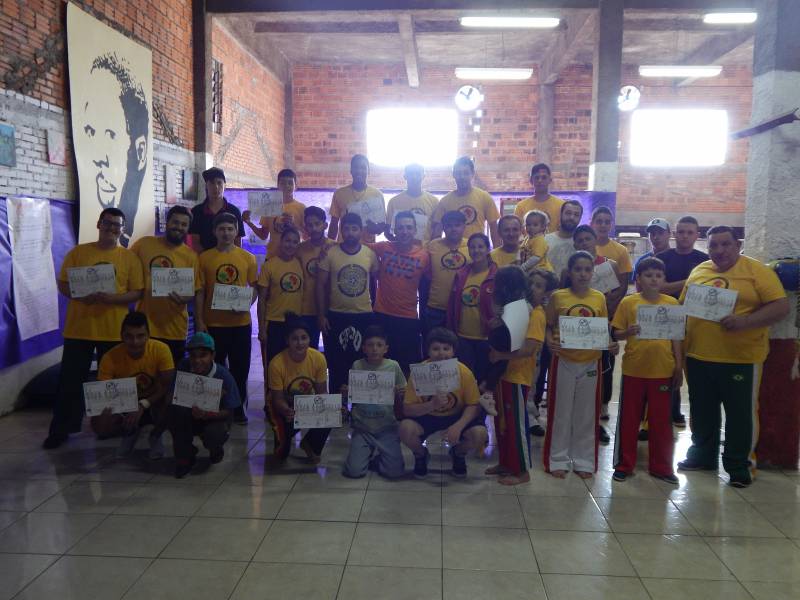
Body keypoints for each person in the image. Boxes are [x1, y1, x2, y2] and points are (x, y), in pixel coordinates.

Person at [677, 226, 788, 488]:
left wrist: (745, 321)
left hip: (741, 359)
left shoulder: (757, 271)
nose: (719, 251)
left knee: (740, 415)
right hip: (698, 355)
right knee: (702, 411)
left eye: (725, 244)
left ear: (737, 245)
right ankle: (703, 456)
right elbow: (683, 306)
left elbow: (781, 306)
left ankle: (740, 466)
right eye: (713, 245)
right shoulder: (699, 271)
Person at [43, 207, 144, 449]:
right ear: (99, 224)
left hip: (114, 330)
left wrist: (112, 299)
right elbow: (64, 285)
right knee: (70, 382)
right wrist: (79, 296)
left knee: (116, 382)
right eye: (107, 223)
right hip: (80, 330)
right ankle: (62, 429)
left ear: (122, 229)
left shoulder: (129, 258)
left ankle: (116, 426)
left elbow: (137, 292)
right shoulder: (78, 253)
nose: (112, 228)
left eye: (117, 225)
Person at [544, 251, 616, 478]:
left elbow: (602, 328)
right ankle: (557, 459)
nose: (583, 274)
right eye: (578, 269)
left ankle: (584, 461)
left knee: (587, 414)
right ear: (570, 272)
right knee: (561, 411)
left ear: (592, 272)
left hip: (591, 361)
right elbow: (546, 324)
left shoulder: (599, 298)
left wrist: (611, 344)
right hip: (563, 360)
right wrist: (549, 343)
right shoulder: (558, 297)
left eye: (587, 270)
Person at [611, 257, 682, 484]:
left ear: (664, 279)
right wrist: (628, 332)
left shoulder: (672, 304)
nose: (654, 279)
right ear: (638, 279)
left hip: (662, 369)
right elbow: (616, 333)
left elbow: (677, 338)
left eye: (658, 275)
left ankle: (662, 466)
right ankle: (625, 464)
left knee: (661, 421)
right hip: (634, 370)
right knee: (629, 419)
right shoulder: (629, 303)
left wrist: (679, 366)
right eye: (648, 275)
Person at [485, 266, 551, 485]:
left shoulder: (537, 314)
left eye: (538, 285)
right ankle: (506, 462)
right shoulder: (517, 309)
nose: (533, 288)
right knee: (501, 421)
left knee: (516, 424)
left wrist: (500, 355)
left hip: (518, 376)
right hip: (505, 375)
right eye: (530, 283)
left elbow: (530, 348)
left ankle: (522, 471)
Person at [400, 327, 488, 478]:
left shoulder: (464, 372)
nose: (441, 353)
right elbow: (407, 409)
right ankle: (421, 455)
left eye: (446, 349)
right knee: (404, 429)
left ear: (453, 351)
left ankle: (458, 453)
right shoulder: (419, 372)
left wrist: (458, 426)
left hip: (456, 415)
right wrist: (431, 405)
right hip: (427, 415)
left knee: (480, 434)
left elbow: (474, 405)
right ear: (428, 351)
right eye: (435, 349)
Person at [81, 52, 149, 247]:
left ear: (140, 152)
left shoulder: (132, 256)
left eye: (111, 135)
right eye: (90, 131)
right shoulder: (78, 255)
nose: (97, 157)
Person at [196, 213, 258, 424]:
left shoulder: (247, 258)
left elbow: (254, 288)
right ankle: (215, 407)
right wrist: (201, 321)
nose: (226, 233)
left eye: (230, 229)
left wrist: (244, 304)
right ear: (214, 231)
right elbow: (200, 292)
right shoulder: (204, 258)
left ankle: (238, 408)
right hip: (214, 324)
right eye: (222, 229)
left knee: (241, 369)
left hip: (240, 324)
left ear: (236, 231)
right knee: (215, 369)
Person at [94, 312, 175, 458]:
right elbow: (103, 394)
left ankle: (155, 435)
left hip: (153, 401)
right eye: (129, 336)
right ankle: (129, 432)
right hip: (126, 404)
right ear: (121, 336)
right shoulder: (109, 357)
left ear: (148, 335)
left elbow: (168, 385)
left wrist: (143, 404)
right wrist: (110, 412)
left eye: (140, 336)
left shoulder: (161, 349)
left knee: (172, 400)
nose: (135, 342)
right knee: (99, 422)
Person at [316, 212, 379, 395]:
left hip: (364, 316)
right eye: (346, 229)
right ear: (341, 230)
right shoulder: (330, 253)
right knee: (336, 363)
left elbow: (376, 284)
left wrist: (375, 310)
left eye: (354, 229)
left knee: (363, 363)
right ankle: (338, 408)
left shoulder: (370, 254)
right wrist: (321, 315)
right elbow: (320, 285)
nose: (350, 233)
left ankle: (360, 407)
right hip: (336, 315)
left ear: (361, 231)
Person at [654, 215, 709, 427]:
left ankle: (699, 417)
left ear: (697, 235)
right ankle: (672, 410)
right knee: (670, 366)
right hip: (667, 319)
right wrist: (689, 283)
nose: (685, 236)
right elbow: (660, 287)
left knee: (694, 368)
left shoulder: (705, 260)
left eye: (690, 232)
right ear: (675, 234)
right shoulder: (664, 257)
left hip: (697, 321)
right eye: (681, 232)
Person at [132, 205, 202, 366]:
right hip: (144, 327)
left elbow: (194, 290)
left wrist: (185, 297)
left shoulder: (191, 256)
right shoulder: (144, 245)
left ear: (188, 228)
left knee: (171, 376)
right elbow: (127, 269)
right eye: (175, 222)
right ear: (167, 222)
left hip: (174, 328)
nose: (179, 227)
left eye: (184, 225)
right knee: (144, 374)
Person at [169, 332, 241, 478]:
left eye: (203, 355)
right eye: (193, 355)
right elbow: (172, 394)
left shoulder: (223, 375)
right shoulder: (183, 367)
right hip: (189, 415)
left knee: (214, 434)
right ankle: (185, 457)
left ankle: (216, 449)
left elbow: (229, 410)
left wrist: (208, 414)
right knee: (175, 415)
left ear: (213, 355)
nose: (197, 360)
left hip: (216, 417)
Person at [342, 325, 406, 479]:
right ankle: (363, 453)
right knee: (354, 472)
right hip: (362, 426)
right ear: (363, 348)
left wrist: (399, 393)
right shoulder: (357, 365)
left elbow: (405, 393)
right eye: (370, 345)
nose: (374, 349)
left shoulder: (393, 366)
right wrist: (347, 392)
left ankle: (378, 459)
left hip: (387, 426)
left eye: (379, 345)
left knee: (394, 472)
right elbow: (353, 396)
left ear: (386, 348)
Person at [369, 211, 430, 373]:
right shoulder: (383, 247)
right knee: (381, 366)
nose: (404, 232)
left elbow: (429, 284)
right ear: (395, 230)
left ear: (415, 230)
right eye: (401, 228)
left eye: (409, 228)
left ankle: (405, 399)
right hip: (382, 315)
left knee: (408, 366)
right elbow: (355, 246)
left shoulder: (424, 255)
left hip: (408, 318)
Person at [266, 314, 330, 464]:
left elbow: (322, 392)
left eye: (304, 337)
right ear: (287, 340)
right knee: (281, 455)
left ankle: (310, 444)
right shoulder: (276, 363)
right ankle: (285, 435)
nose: (300, 343)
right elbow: (278, 399)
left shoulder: (318, 358)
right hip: (283, 407)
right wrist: (285, 410)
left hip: (307, 403)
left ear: (310, 339)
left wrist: (329, 406)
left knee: (333, 413)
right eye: (295, 338)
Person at [590, 206, 631, 427]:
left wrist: (606, 305)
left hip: (608, 314)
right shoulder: (585, 245)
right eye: (600, 221)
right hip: (585, 313)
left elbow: (623, 285)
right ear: (592, 222)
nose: (603, 225)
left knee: (607, 361)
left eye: (607, 221)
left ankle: (604, 402)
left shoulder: (619, 251)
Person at [447, 233, 497, 387]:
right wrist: (451, 331)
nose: (476, 250)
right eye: (473, 247)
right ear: (468, 250)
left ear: (488, 249)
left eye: (481, 246)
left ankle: (480, 411)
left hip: (485, 338)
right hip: (462, 336)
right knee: (464, 380)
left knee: (482, 381)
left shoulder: (497, 275)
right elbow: (452, 304)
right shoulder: (461, 274)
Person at [257, 226, 304, 382]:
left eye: (295, 242)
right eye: (287, 241)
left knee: (293, 367)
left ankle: (289, 402)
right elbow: (261, 299)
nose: (291, 245)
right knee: (272, 366)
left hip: (295, 323)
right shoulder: (269, 265)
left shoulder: (300, 264)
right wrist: (262, 328)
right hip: (274, 323)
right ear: (280, 242)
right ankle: (271, 403)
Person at [430, 156, 500, 246]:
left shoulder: (485, 197)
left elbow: (494, 229)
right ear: (453, 175)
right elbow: (437, 232)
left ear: (472, 174)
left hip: (477, 252)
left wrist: (496, 254)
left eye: (466, 173)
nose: (462, 177)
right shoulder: (445, 201)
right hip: (453, 252)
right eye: (458, 173)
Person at [422, 210, 469, 338]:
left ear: (464, 226)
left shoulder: (471, 246)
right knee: (433, 350)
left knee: (457, 350)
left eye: (457, 225)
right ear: (443, 227)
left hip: (462, 308)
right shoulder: (432, 245)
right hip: (435, 308)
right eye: (448, 225)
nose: (453, 229)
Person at [296, 206, 336, 349]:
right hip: (306, 310)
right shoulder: (299, 249)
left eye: (317, 224)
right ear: (305, 227)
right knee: (307, 353)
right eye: (310, 225)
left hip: (331, 308)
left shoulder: (335, 247)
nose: (313, 228)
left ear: (325, 225)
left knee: (332, 352)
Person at [242, 168, 307, 257]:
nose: (286, 186)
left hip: (294, 258)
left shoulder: (302, 208)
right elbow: (263, 235)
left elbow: (307, 236)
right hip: (273, 256)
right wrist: (249, 222)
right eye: (283, 183)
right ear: (278, 185)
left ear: (295, 186)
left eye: (290, 183)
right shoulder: (269, 206)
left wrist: (294, 225)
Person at [328, 154, 385, 243]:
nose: (359, 171)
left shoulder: (377, 195)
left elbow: (382, 225)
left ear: (368, 171)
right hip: (344, 246)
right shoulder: (339, 193)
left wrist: (376, 229)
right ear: (351, 170)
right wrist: (329, 244)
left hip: (368, 248)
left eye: (363, 168)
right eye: (356, 167)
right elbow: (334, 224)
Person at [189, 167, 245, 251]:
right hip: (204, 260)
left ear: (224, 185)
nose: (216, 186)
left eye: (219, 183)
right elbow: (195, 242)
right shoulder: (197, 211)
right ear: (206, 186)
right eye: (211, 183)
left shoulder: (234, 211)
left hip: (229, 259)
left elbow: (238, 242)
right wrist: (209, 258)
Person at [385, 163, 439, 242]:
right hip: (401, 251)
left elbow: (437, 231)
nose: (414, 177)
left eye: (417, 174)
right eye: (411, 174)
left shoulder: (434, 201)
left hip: (425, 251)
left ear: (423, 176)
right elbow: (388, 231)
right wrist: (399, 245)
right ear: (405, 176)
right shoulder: (394, 202)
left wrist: (431, 247)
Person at [513, 163, 565, 234]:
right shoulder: (521, 206)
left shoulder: (561, 205)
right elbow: (517, 232)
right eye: (537, 177)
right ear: (531, 181)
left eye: (544, 177)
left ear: (550, 180)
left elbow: (563, 232)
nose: (540, 180)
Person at [544, 200, 583, 278]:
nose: (572, 217)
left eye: (576, 215)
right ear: (561, 214)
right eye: (568, 213)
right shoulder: (545, 240)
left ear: (580, 218)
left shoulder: (582, 244)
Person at [633, 218, 672, 283]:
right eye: (653, 234)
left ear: (669, 234)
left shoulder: (678, 258)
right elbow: (639, 290)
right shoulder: (641, 261)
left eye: (660, 233)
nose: (656, 237)